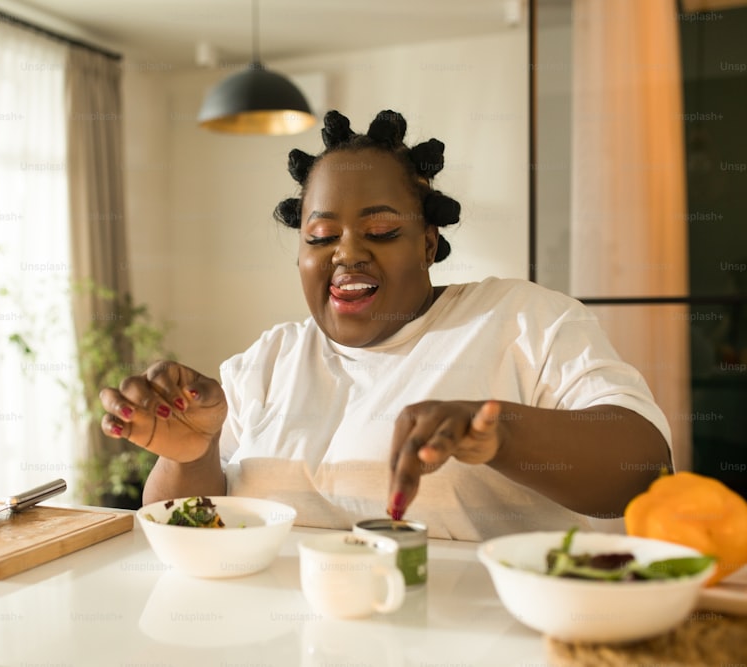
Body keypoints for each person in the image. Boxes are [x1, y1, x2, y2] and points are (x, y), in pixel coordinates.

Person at [99, 109, 672, 540]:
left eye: (380, 232)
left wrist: (496, 432)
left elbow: (642, 470)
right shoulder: (271, 359)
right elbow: (191, 530)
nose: (345, 255)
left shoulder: (521, 319)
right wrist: (189, 458)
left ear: (428, 243)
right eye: (320, 238)